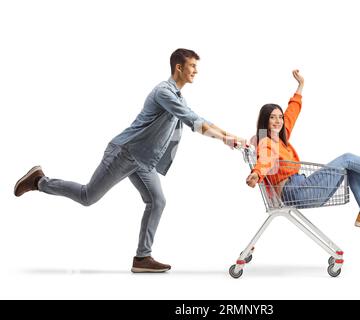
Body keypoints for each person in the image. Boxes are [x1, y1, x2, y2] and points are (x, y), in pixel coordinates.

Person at [14, 48, 247, 273]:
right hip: (125, 153)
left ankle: (142, 258)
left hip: (144, 161)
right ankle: (40, 181)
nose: (196, 71)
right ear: (179, 67)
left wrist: (230, 136)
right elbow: (193, 121)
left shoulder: (178, 95)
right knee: (87, 197)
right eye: (193, 66)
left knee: (157, 201)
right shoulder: (163, 92)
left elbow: (199, 118)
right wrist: (224, 139)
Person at [246, 69, 360, 233]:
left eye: (279, 117)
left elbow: (292, 112)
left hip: (302, 186)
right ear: (265, 121)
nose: (278, 121)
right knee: (347, 159)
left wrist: (301, 86)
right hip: (296, 192)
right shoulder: (266, 142)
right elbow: (265, 161)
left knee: (351, 166)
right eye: (273, 118)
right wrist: (256, 174)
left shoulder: (281, 136)